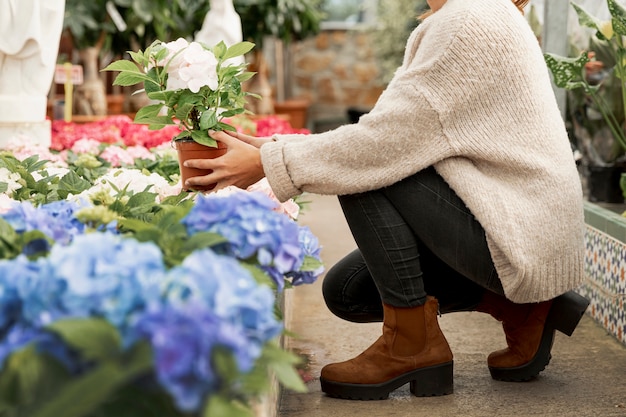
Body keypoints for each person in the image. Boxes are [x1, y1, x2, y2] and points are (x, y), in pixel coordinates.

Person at [184, 0, 591, 400]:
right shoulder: (466, 14)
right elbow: (392, 130)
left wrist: (268, 162)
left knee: (364, 168)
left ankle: (412, 345)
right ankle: (521, 308)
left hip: (519, 234)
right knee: (348, 291)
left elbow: (381, 144)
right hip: (517, 223)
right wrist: (269, 148)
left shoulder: (468, 19)